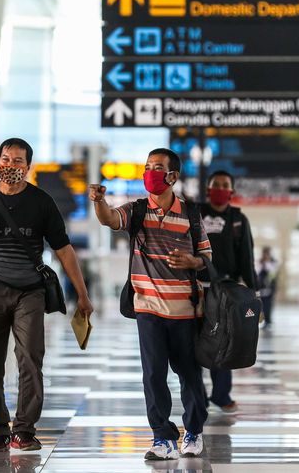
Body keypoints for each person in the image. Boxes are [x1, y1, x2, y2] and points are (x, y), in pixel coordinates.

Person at [0, 138, 94, 453]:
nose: (10, 166)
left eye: (18, 161)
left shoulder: (41, 203)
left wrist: (82, 293)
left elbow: (64, 250)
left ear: (28, 166)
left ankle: (23, 430)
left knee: (30, 360)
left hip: (30, 295)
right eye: (5, 159)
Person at [89, 148, 211, 461]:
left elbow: (207, 259)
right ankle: (162, 437)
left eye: (157, 167)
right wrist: (99, 201)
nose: (150, 172)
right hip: (148, 308)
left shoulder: (192, 215)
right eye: (147, 166)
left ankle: (194, 431)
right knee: (153, 374)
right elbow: (109, 219)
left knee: (189, 374)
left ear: (173, 176)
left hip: (185, 309)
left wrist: (191, 260)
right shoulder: (138, 210)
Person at [198, 170, 257, 413]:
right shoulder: (195, 214)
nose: (221, 189)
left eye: (225, 185)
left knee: (223, 341)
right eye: (216, 185)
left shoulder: (238, 220)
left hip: (227, 292)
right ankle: (197, 396)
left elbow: (246, 257)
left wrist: (252, 293)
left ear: (231, 191)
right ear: (208, 189)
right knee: (194, 343)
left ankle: (221, 395)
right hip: (196, 288)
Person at [257, 246, 279, 326]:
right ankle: (263, 320)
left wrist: (267, 263)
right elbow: (257, 273)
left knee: (268, 305)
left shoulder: (273, 262)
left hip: (269, 288)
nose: (266, 255)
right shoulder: (260, 262)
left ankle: (268, 321)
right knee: (261, 305)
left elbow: (273, 274)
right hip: (261, 288)